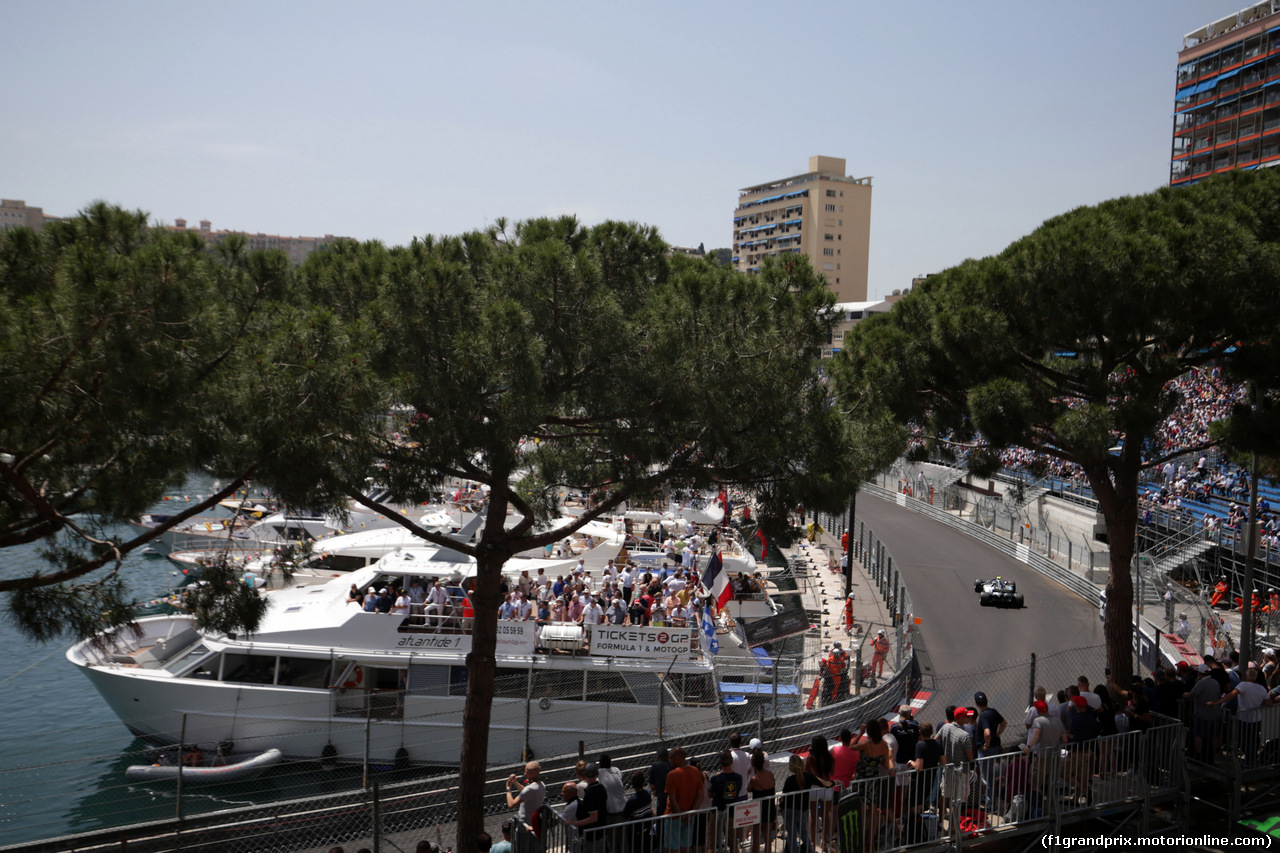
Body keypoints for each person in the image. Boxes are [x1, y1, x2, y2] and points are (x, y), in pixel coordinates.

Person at [663, 747, 703, 853]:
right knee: (686, 845)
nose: (669, 760)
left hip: (674, 816)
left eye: (670, 758)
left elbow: (672, 799)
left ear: (677, 758)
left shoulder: (672, 775)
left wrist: (681, 815)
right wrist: (691, 814)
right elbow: (700, 796)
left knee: (671, 847)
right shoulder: (695, 771)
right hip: (689, 815)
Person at [505, 760, 547, 839]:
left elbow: (511, 805)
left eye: (526, 772)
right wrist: (515, 782)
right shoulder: (542, 785)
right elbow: (527, 793)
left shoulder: (530, 789)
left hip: (525, 825)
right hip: (534, 822)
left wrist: (508, 788)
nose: (524, 773)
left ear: (534, 773)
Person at [746, 748, 776, 853]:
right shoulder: (770, 775)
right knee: (768, 839)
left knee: (756, 839)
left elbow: (748, 789)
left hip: (758, 810)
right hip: (769, 807)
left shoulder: (754, 779)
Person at [780, 754, 811, 853]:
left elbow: (783, 797)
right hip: (803, 810)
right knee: (804, 834)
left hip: (790, 811)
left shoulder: (789, 780)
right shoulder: (807, 778)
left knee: (792, 836)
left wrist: (780, 807)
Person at [621, 770, 654, 853]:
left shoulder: (632, 800)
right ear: (643, 781)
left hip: (636, 834)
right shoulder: (647, 794)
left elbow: (626, 816)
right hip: (647, 830)